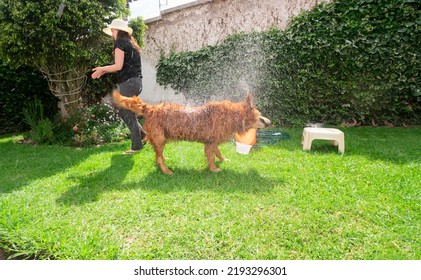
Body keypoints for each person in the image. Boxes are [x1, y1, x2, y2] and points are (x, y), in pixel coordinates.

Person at [92, 19, 146, 155]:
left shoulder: (120, 43)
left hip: (129, 82)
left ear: (116, 30)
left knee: (125, 111)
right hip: (136, 82)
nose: (111, 32)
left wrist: (102, 69)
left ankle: (136, 146)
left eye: (112, 30)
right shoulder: (130, 43)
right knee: (125, 111)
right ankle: (143, 135)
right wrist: (103, 70)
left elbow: (118, 66)